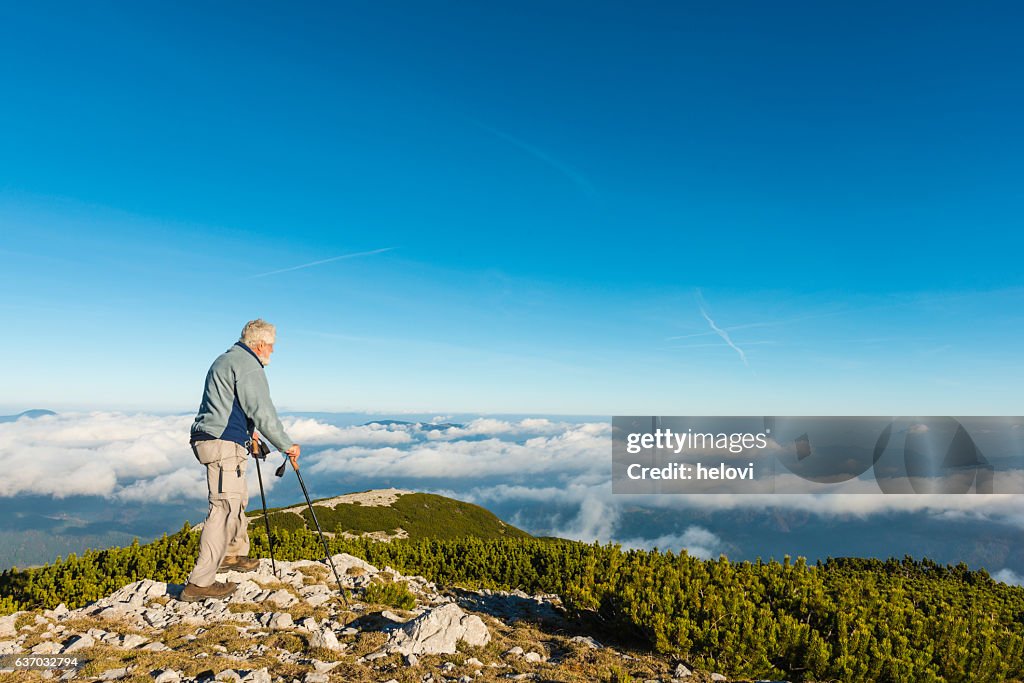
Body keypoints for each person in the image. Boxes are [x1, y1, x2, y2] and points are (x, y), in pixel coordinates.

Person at [179, 319, 301, 602]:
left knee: (237, 499)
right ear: (260, 345)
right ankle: (199, 584)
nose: (272, 351)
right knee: (223, 507)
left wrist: (250, 435)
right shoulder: (249, 365)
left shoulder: (225, 360)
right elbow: (262, 409)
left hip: (220, 438)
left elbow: (229, 405)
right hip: (223, 444)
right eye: (271, 346)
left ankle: (233, 554)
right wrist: (286, 445)